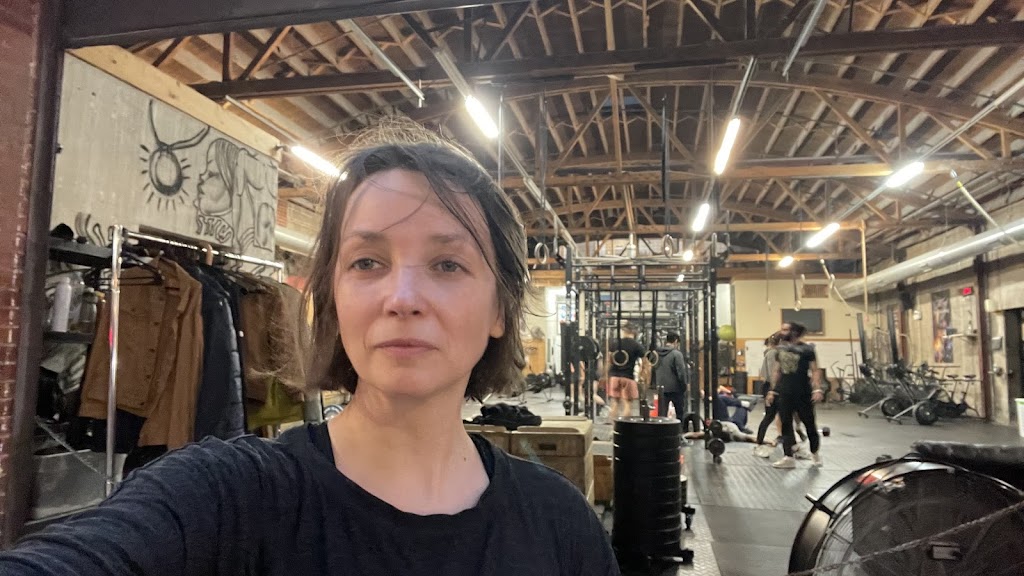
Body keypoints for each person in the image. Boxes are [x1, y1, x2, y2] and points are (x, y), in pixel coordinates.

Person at [0, 128, 620, 575]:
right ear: (333, 298)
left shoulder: (560, 525)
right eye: (367, 262)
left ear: (500, 310)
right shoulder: (226, 498)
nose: (402, 298)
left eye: (448, 264)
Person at [769, 321, 824, 469]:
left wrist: (817, 389)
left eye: (785, 330)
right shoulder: (780, 349)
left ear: (794, 332)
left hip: (803, 391)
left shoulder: (807, 350)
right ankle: (788, 456)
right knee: (785, 424)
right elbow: (777, 370)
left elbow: (815, 370)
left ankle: (815, 453)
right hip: (785, 391)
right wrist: (772, 390)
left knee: (809, 424)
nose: (782, 332)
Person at [606, 324, 647, 420]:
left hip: (614, 377)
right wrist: (643, 376)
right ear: (634, 332)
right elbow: (645, 362)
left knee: (614, 403)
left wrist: (605, 375)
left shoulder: (615, 344)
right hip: (628, 377)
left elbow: (608, 361)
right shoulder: (637, 345)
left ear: (624, 331)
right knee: (627, 404)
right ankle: (624, 426)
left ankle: (614, 426)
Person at [654, 332, 687, 419]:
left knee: (662, 414)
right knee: (680, 413)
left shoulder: (657, 353)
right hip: (676, 388)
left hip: (661, 387)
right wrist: (684, 385)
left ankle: (663, 428)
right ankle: (680, 427)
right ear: (676, 341)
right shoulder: (676, 354)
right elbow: (681, 372)